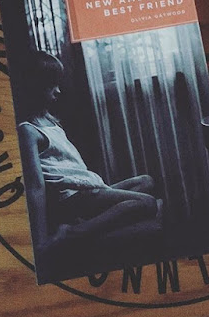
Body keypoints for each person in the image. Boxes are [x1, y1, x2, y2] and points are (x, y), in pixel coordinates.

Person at [17, 50, 159, 254]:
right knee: (147, 202)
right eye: (52, 85)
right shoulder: (28, 131)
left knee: (146, 181)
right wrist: (39, 241)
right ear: (35, 87)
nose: (58, 91)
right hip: (70, 198)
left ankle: (96, 215)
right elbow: (35, 186)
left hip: (87, 189)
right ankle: (74, 232)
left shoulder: (50, 121)